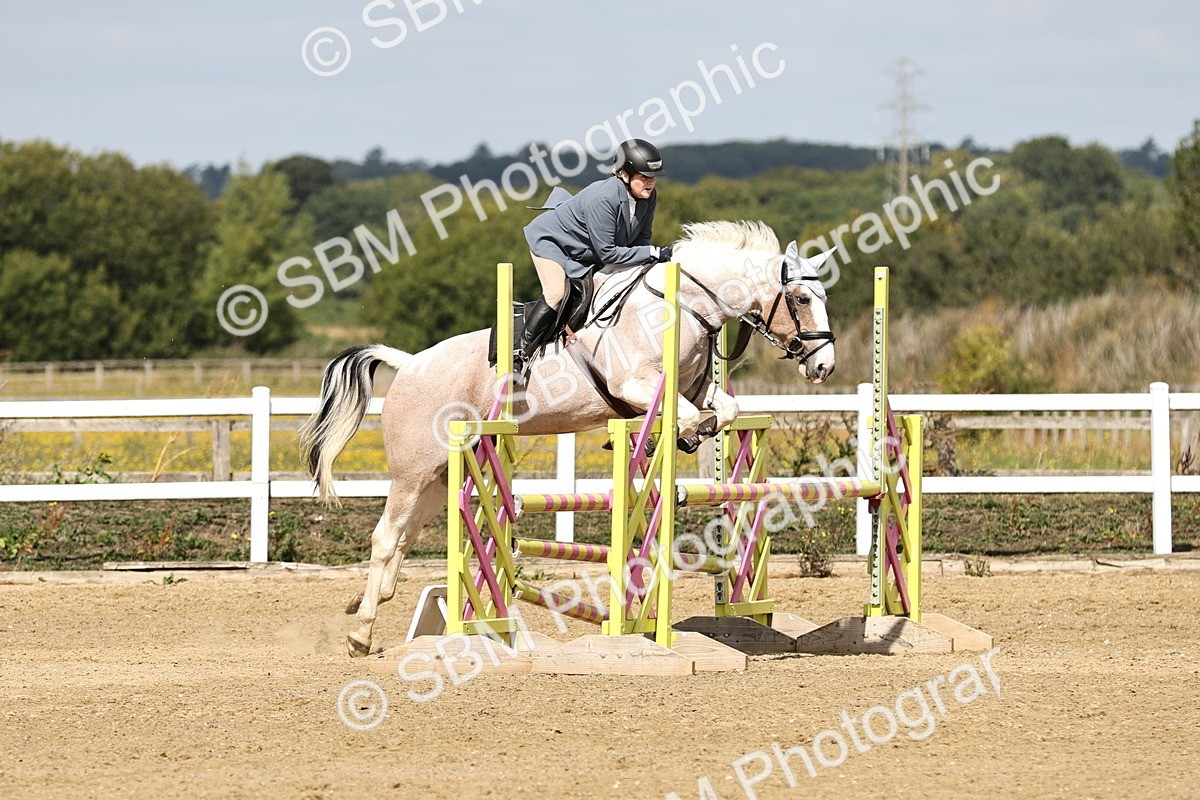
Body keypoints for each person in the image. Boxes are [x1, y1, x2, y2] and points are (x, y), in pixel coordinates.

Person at [520, 138, 675, 361]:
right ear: (624, 174)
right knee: (556, 294)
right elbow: (609, 253)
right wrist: (653, 253)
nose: (650, 182)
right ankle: (521, 353)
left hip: (586, 250)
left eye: (653, 178)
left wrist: (647, 259)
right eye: (644, 176)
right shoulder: (604, 198)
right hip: (553, 242)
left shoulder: (647, 197)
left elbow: (642, 238)